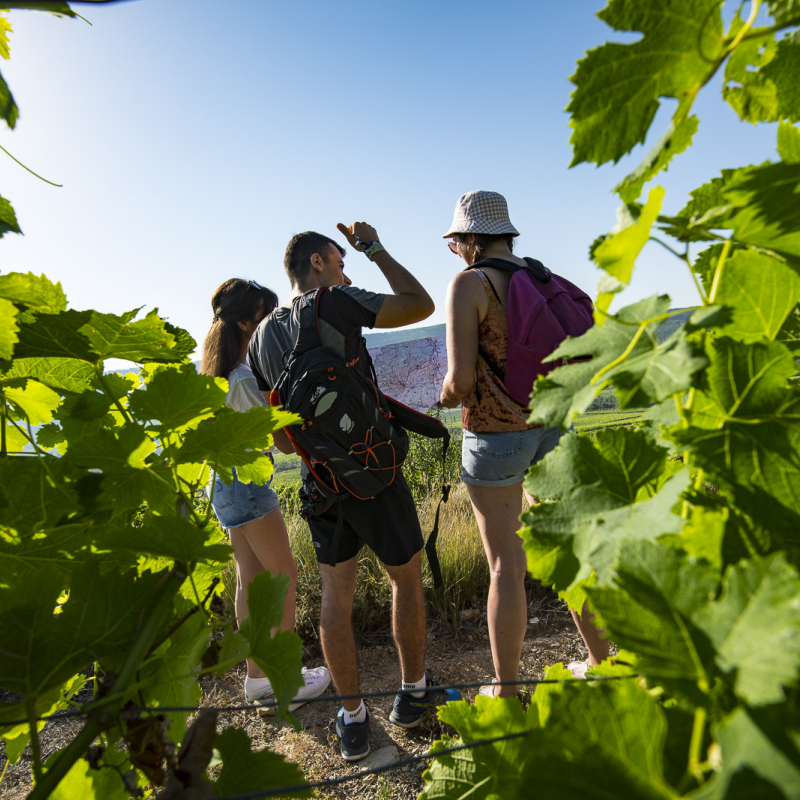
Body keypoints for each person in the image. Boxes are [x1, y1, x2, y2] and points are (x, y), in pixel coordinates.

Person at [248, 226, 461, 762]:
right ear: (318, 262)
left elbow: (282, 442)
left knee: (334, 598)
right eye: (343, 262)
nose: (349, 273)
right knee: (405, 580)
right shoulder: (333, 301)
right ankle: (412, 695)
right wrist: (376, 248)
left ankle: (352, 719)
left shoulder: (259, 339)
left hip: (321, 482)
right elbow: (421, 303)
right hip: (377, 474)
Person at [438, 191, 609, 696]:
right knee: (570, 552)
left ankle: (507, 691)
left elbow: (461, 382)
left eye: (456, 242)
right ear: (506, 233)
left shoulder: (469, 285)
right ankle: (602, 662)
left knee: (506, 569)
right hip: (554, 426)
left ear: (469, 239)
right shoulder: (542, 278)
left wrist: (442, 396)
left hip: (496, 437)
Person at [200, 278, 330, 713]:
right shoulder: (242, 379)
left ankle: (258, 681)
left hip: (223, 486)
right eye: (265, 318)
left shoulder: (219, 376)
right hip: (249, 485)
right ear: (243, 322)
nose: (273, 327)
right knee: (283, 578)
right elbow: (282, 443)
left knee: (251, 580)